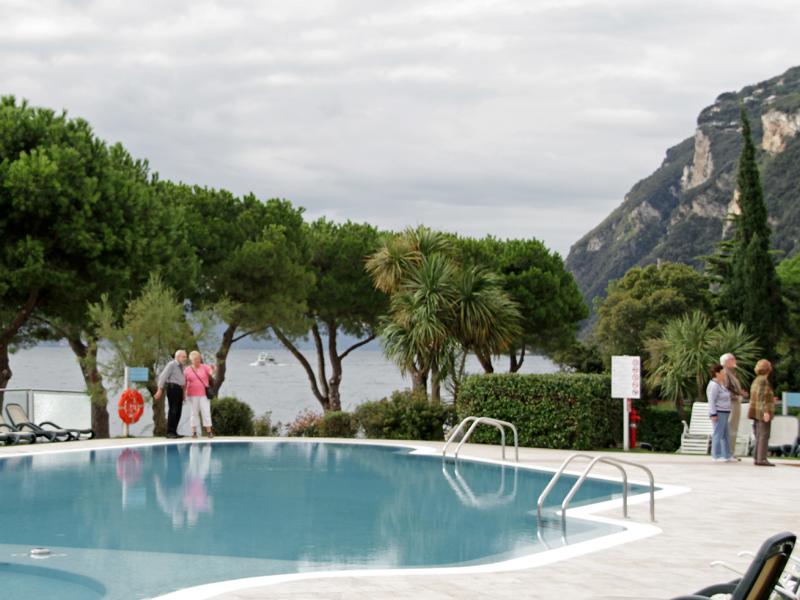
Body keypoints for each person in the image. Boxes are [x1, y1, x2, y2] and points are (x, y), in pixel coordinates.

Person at [749, 359, 778, 467]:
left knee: (759, 435)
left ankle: (757, 458)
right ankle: (762, 459)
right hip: (761, 412)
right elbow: (762, 397)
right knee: (764, 435)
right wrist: (765, 412)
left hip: (756, 411)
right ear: (768, 369)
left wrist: (771, 399)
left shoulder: (756, 380)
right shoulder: (763, 381)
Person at [720, 353, 748, 459]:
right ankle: (728, 452)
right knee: (731, 427)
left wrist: (740, 393)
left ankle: (729, 452)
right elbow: (725, 389)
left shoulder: (730, 373)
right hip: (731, 403)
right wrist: (738, 394)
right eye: (732, 359)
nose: (735, 361)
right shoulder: (725, 373)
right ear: (726, 362)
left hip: (733, 402)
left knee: (732, 427)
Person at [155, 349, 188, 439]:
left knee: (178, 411)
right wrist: (159, 389)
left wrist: (184, 393)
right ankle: (170, 432)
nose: (185, 358)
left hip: (180, 389)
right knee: (173, 410)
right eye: (183, 357)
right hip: (173, 388)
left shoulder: (183, 367)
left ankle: (174, 431)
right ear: (178, 357)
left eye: (185, 357)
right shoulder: (171, 365)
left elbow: (183, 381)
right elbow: (163, 377)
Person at [706, 363, 736, 463]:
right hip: (719, 413)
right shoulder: (714, 385)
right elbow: (711, 401)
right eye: (722, 372)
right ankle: (716, 455)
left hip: (725, 412)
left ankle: (727, 455)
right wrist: (713, 414)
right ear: (717, 373)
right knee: (718, 434)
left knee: (725, 434)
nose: (724, 374)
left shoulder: (721, 385)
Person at [185, 350, 215, 439]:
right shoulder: (187, 370)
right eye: (195, 359)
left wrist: (213, 370)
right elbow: (184, 382)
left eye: (198, 358)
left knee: (206, 412)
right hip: (192, 394)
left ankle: (209, 432)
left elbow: (211, 373)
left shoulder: (205, 367)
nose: (197, 360)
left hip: (204, 395)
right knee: (194, 413)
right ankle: (194, 432)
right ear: (191, 360)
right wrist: (184, 394)